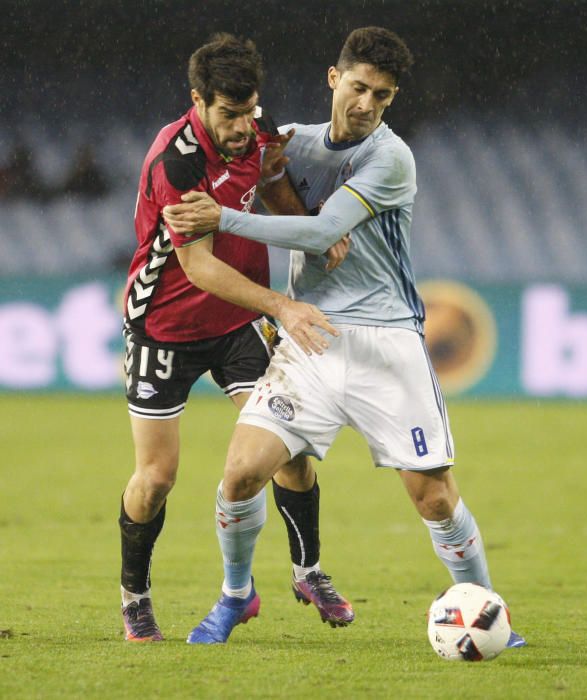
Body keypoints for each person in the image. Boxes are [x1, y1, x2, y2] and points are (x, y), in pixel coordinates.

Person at [163, 26, 526, 649]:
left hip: (387, 342)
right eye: (359, 87)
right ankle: (235, 596)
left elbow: (321, 231)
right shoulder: (292, 143)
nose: (367, 105)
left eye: (382, 97)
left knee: (434, 498)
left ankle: (488, 608)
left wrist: (219, 218)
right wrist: (260, 179)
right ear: (335, 79)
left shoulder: (391, 158)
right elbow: (227, 146)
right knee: (242, 474)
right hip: (311, 337)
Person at [119, 33, 354, 643]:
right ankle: (136, 597)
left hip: (237, 324)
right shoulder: (176, 162)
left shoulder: (258, 127)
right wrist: (284, 304)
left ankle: (308, 569)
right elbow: (198, 267)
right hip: (164, 326)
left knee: (289, 448)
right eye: (228, 114)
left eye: (250, 111)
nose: (243, 127)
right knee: (157, 477)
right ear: (198, 100)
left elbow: (270, 183)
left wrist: (308, 225)